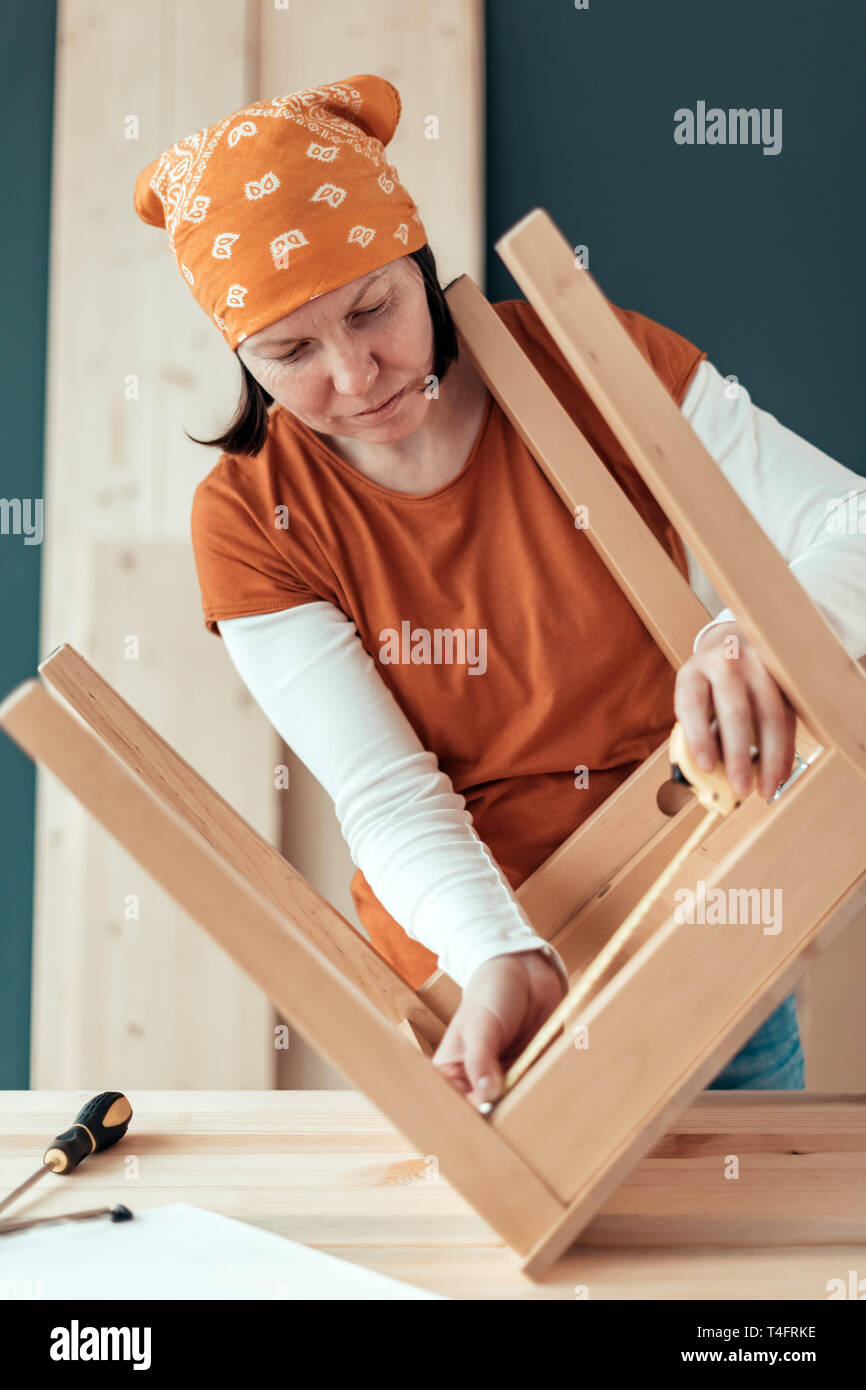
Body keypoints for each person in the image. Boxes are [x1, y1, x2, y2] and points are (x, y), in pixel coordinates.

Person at [134, 74, 866, 1110]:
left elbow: (852, 527)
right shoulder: (251, 519)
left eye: (374, 308)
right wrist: (499, 955)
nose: (355, 375)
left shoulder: (588, 358)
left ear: (418, 264)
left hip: (701, 912)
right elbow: (385, 792)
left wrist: (752, 636)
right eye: (290, 351)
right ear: (240, 357)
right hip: (469, 968)